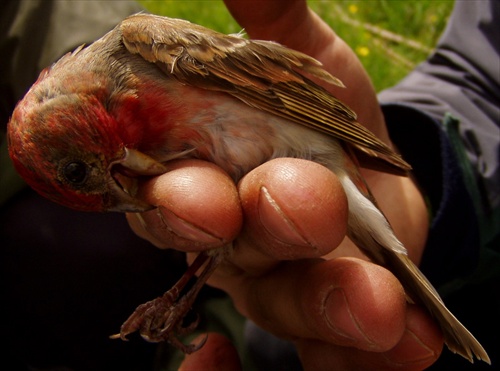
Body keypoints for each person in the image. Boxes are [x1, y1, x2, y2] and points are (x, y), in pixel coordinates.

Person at [126, 1, 499, 370]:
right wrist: (430, 179)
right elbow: (474, 73)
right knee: (220, 225)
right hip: (421, 223)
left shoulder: (146, 43)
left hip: (304, 141)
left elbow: (271, 88)